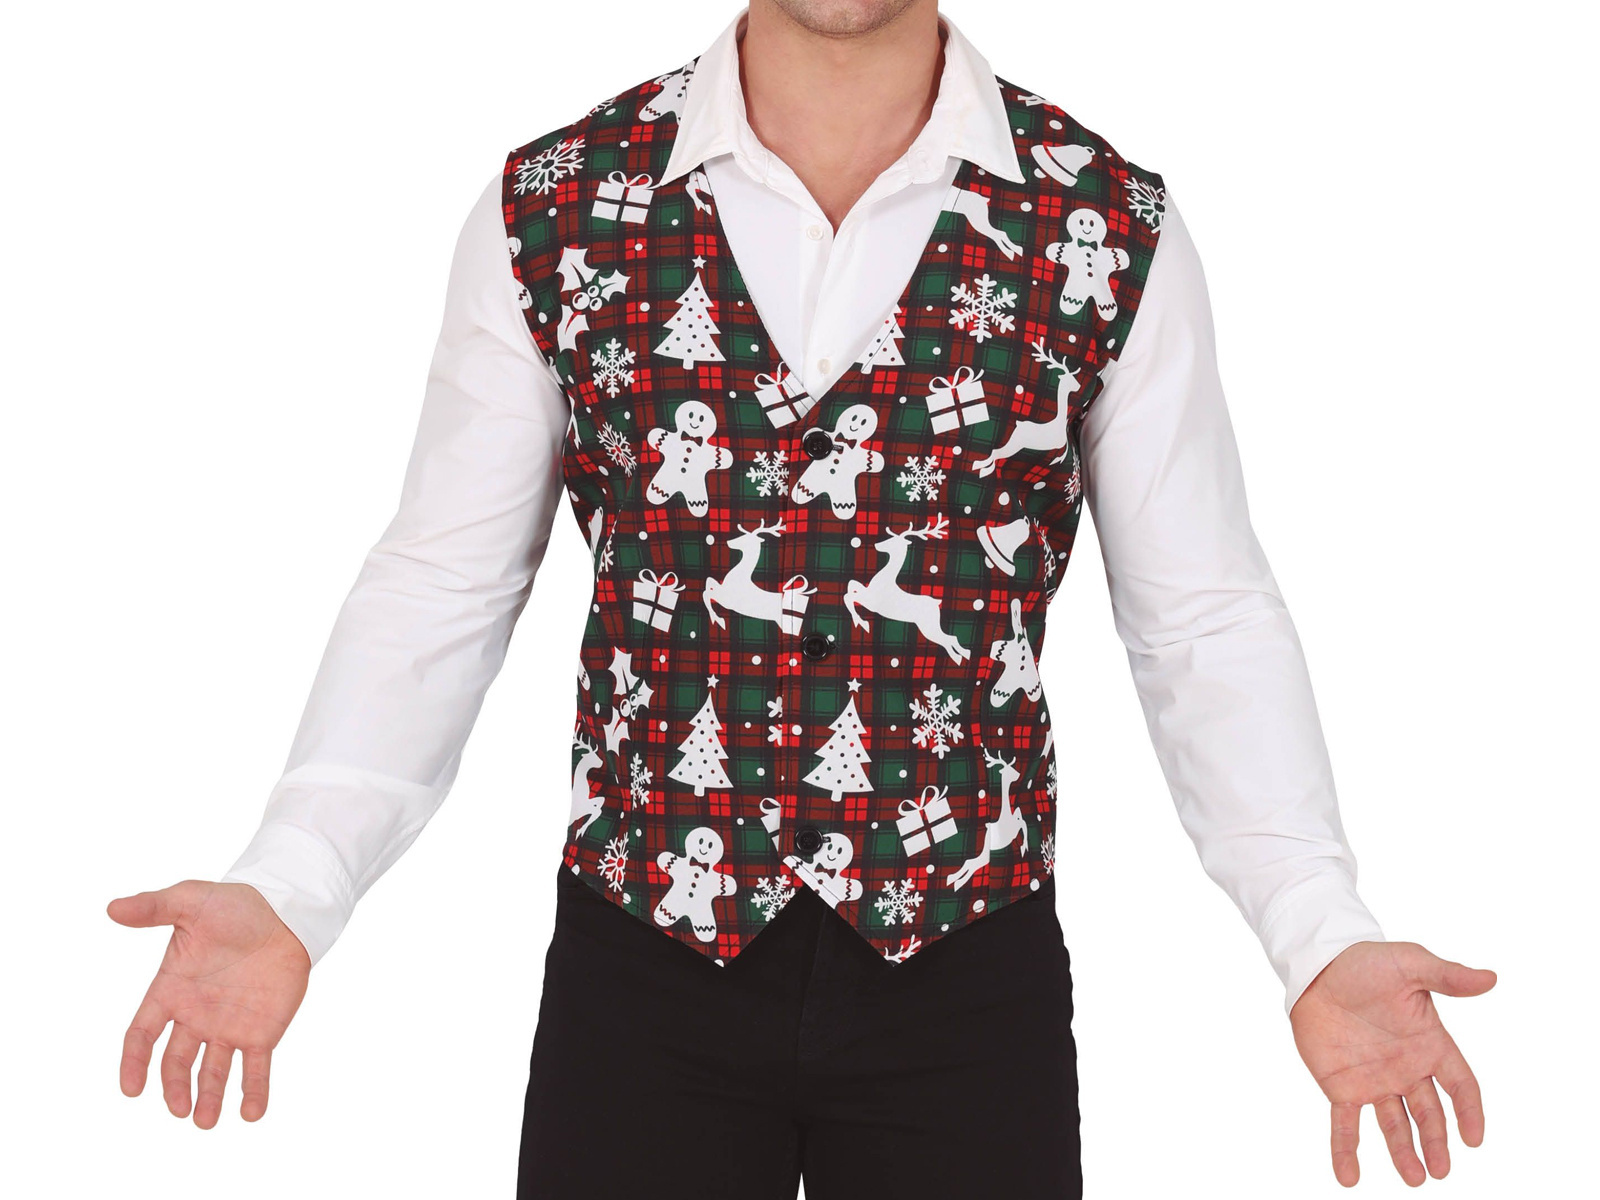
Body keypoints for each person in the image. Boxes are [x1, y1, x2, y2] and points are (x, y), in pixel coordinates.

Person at [109, 2, 1495, 1195]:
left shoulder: (1101, 224)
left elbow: (1201, 615)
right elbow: (443, 582)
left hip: (966, 969)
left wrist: (1318, 930)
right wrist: (292, 880)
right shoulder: (558, 205)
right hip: (644, 966)